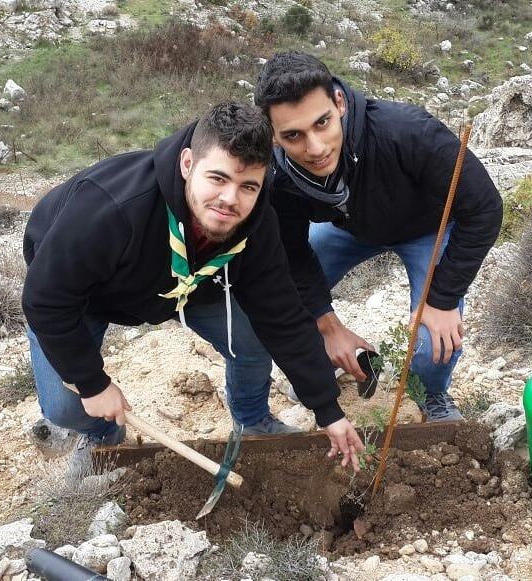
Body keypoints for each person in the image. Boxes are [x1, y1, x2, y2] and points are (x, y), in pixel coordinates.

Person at [22, 101, 363, 472]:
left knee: (252, 343)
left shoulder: (256, 223)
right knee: (65, 408)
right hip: (83, 295)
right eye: (218, 178)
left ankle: (252, 421)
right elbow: (46, 299)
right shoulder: (112, 207)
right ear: (187, 164)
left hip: (190, 286)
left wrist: (328, 410)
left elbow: (283, 317)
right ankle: (102, 434)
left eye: (248, 185)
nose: (230, 199)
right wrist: (91, 383)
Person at [248, 51, 503, 421]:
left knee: (434, 341)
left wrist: (442, 298)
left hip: (425, 230)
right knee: (285, 294)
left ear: (339, 103)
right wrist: (327, 324)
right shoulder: (280, 178)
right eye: (293, 135)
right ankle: (323, 365)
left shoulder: (407, 131)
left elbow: (485, 208)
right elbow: (291, 253)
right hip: (350, 229)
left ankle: (428, 394)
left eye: (322, 123)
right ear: (274, 136)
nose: (315, 148)